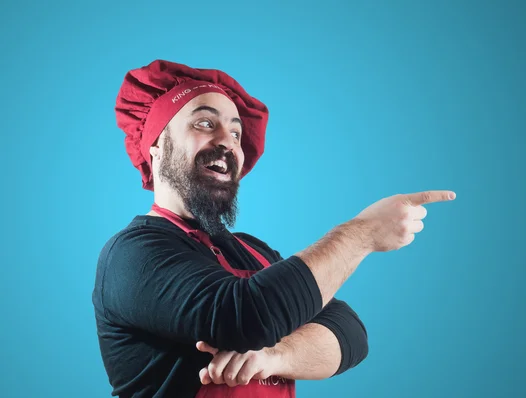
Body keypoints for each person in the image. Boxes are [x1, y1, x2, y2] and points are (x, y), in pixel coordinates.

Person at [92, 59, 456, 398]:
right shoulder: (132, 254)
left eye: (236, 133)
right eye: (205, 123)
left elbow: (349, 334)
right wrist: (361, 234)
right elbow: (247, 317)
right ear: (155, 147)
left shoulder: (254, 250)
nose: (227, 142)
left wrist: (275, 356)